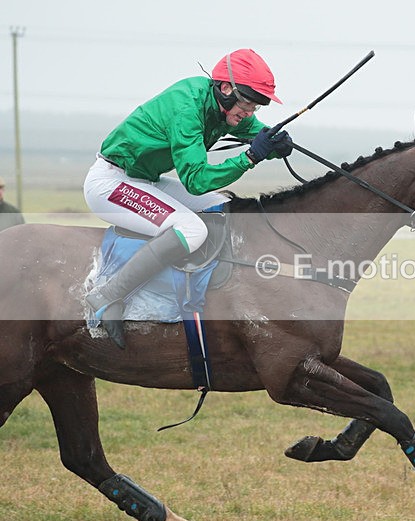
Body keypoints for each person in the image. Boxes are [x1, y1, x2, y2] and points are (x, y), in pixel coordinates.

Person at [84, 48, 293, 349]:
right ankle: (108, 294)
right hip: (111, 183)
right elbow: (195, 181)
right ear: (225, 88)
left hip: (144, 179)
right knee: (192, 229)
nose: (249, 112)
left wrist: (276, 142)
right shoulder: (188, 108)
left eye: (256, 106)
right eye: (247, 103)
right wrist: (249, 158)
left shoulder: (223, 106)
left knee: (218, 205)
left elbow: (257, 134)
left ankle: (210, 289)